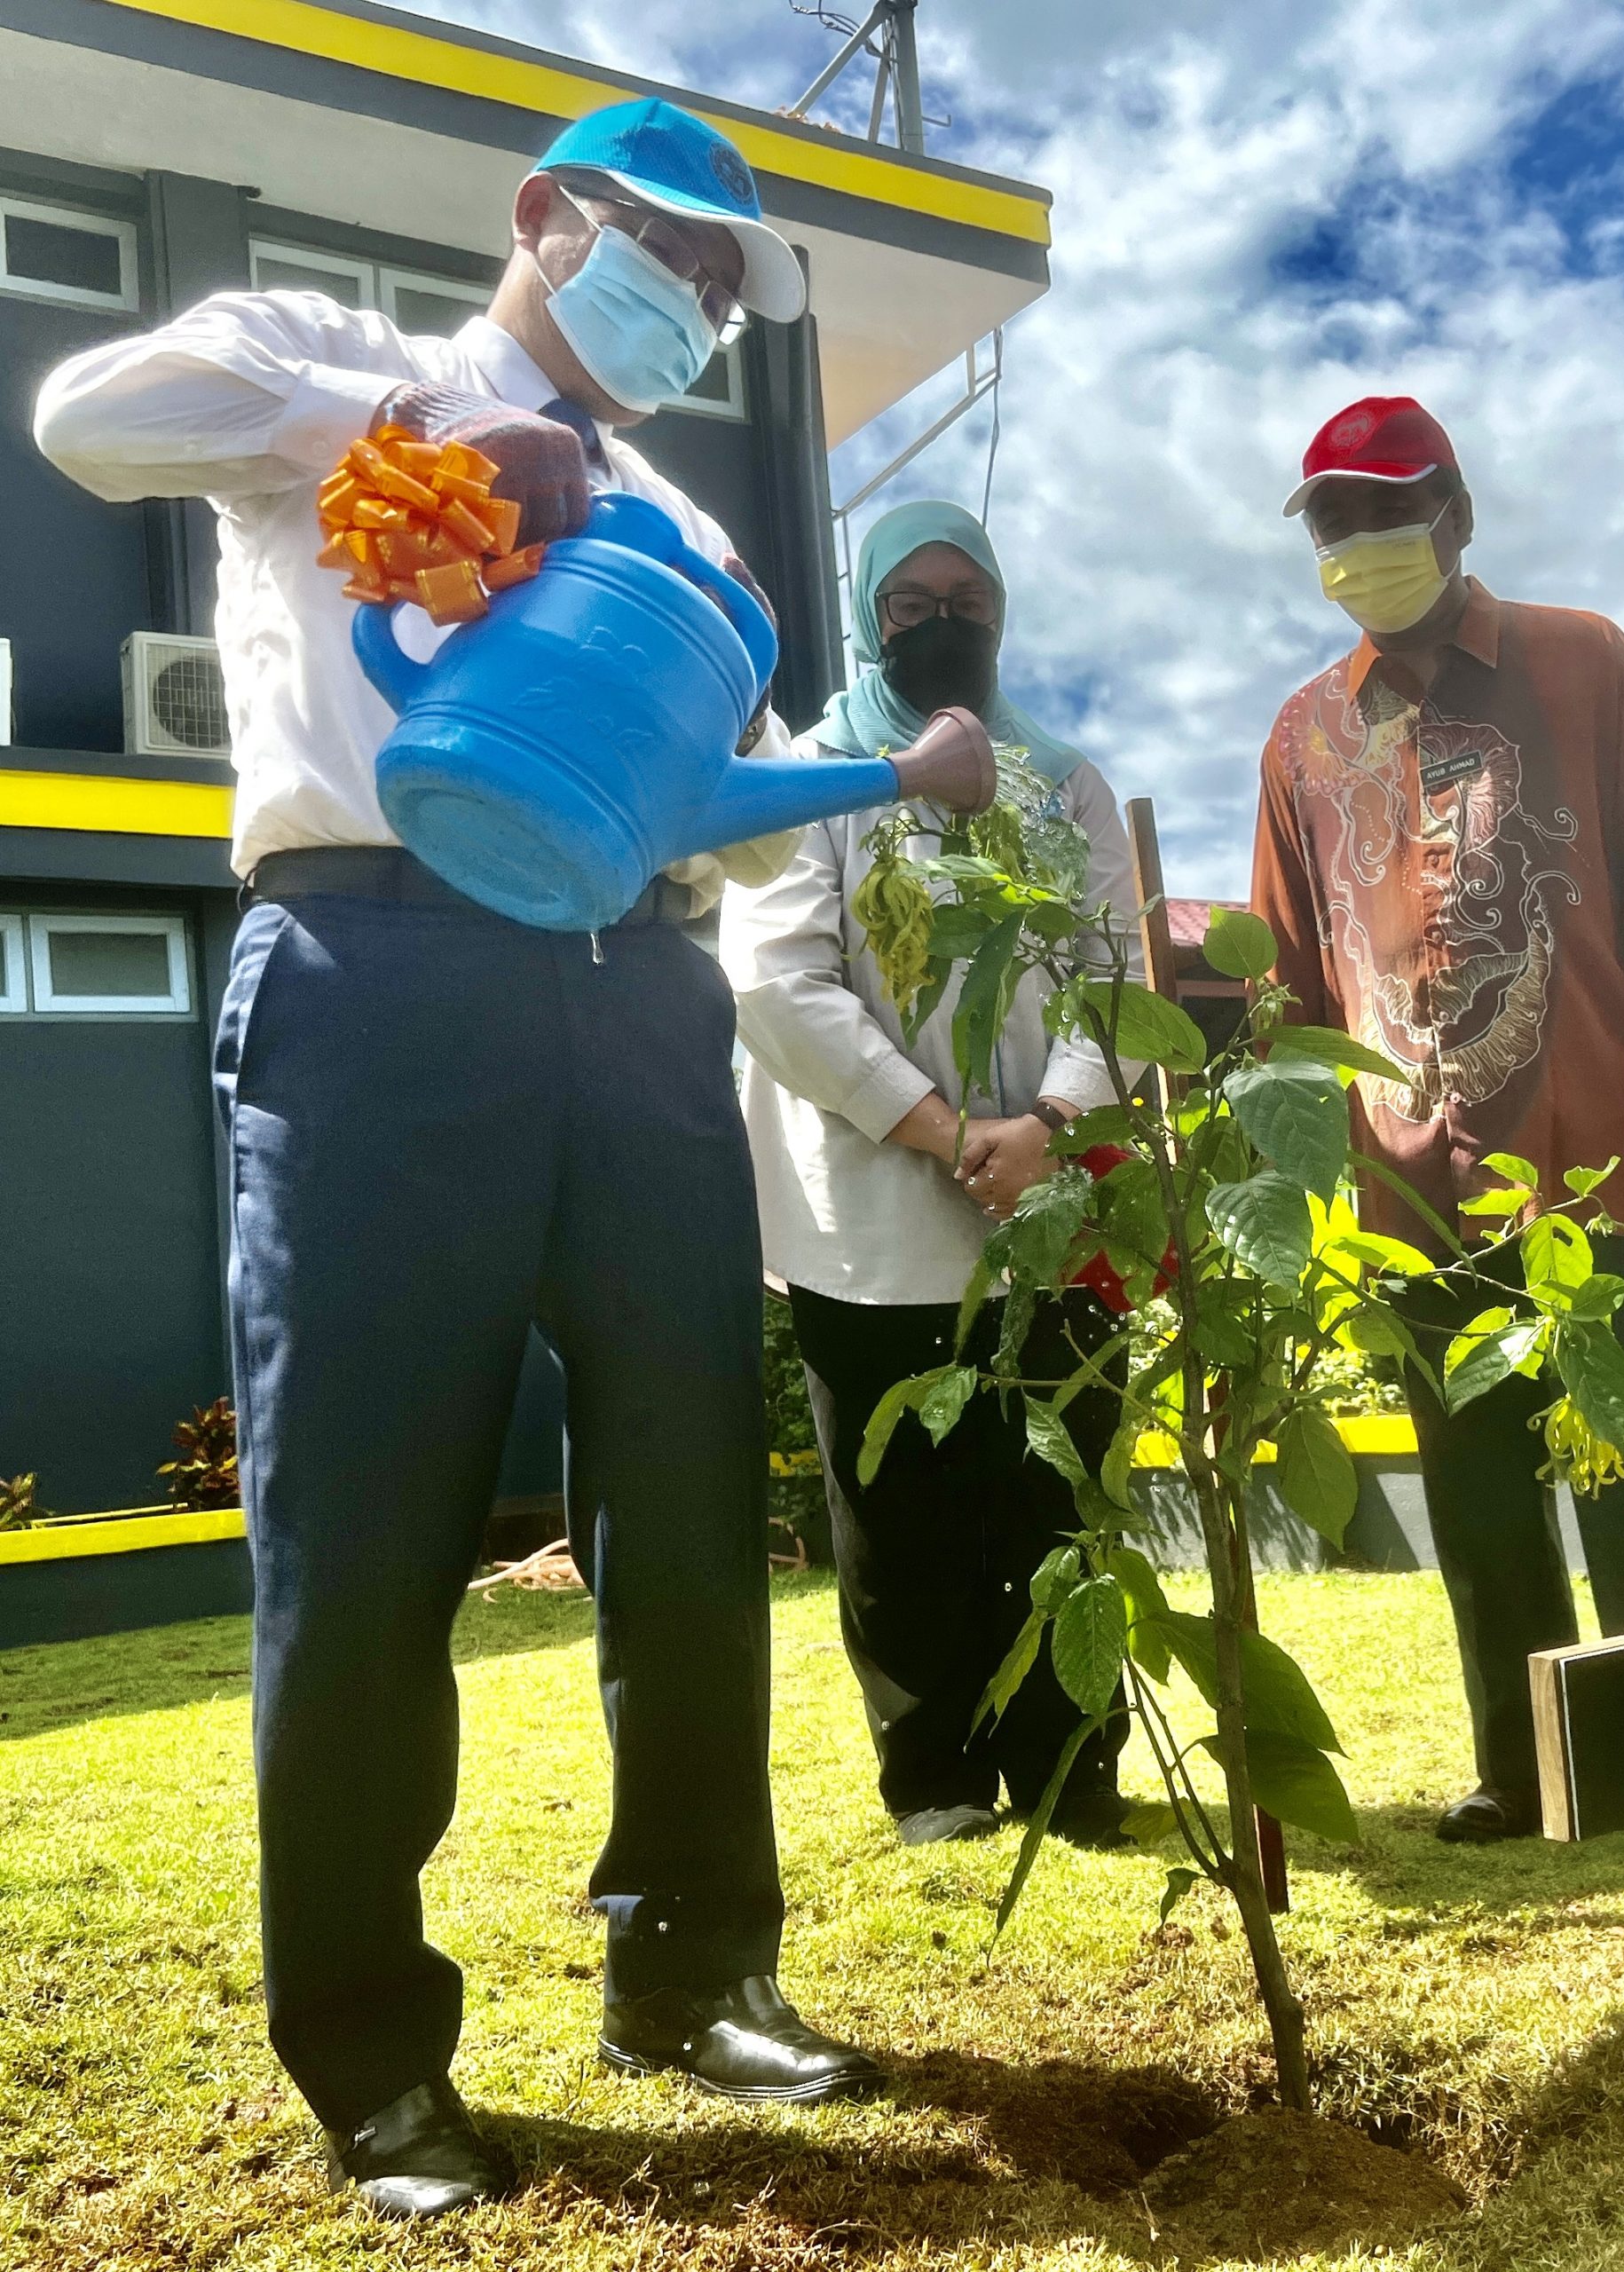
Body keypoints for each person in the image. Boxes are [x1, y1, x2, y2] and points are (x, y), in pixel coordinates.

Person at [35, 98, 881, 2220]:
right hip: (379, 968)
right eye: (667, 254)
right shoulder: (313, 361)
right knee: (367, 1531)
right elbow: (80, 418)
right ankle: (374, 2059)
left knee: (691, 1497)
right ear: (543, 218)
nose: (692, 305)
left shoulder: (679, 515)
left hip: (636, 990)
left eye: (721, 288)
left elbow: (722, 780)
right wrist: (417, 409)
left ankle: (695, 1968)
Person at [1249, 395, 1624, 1847]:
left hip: (1590, 1134)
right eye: (1332, 520)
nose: (1360, 541)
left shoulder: (1581, 660)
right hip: (1407, 1172)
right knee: (1476, 1491)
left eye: (1385, 509)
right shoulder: (1302, 735)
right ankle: (1525, 1766)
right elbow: (1287, 968)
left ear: (1455, 514)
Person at [721, 500, 1136, 1850]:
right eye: (911, 601)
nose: (943, 622)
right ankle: (938, 1780)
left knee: (1060, 1496)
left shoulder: (1059, 780)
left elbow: (1109, 968)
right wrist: (943, 1130)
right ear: (867, 615)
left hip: (1054, 1204)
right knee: (900, 1515)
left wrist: (1052, 1120)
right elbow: (779, 986)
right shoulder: (818, 775)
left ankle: (1075, 1769)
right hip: (873, 1212)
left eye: (969, 599)